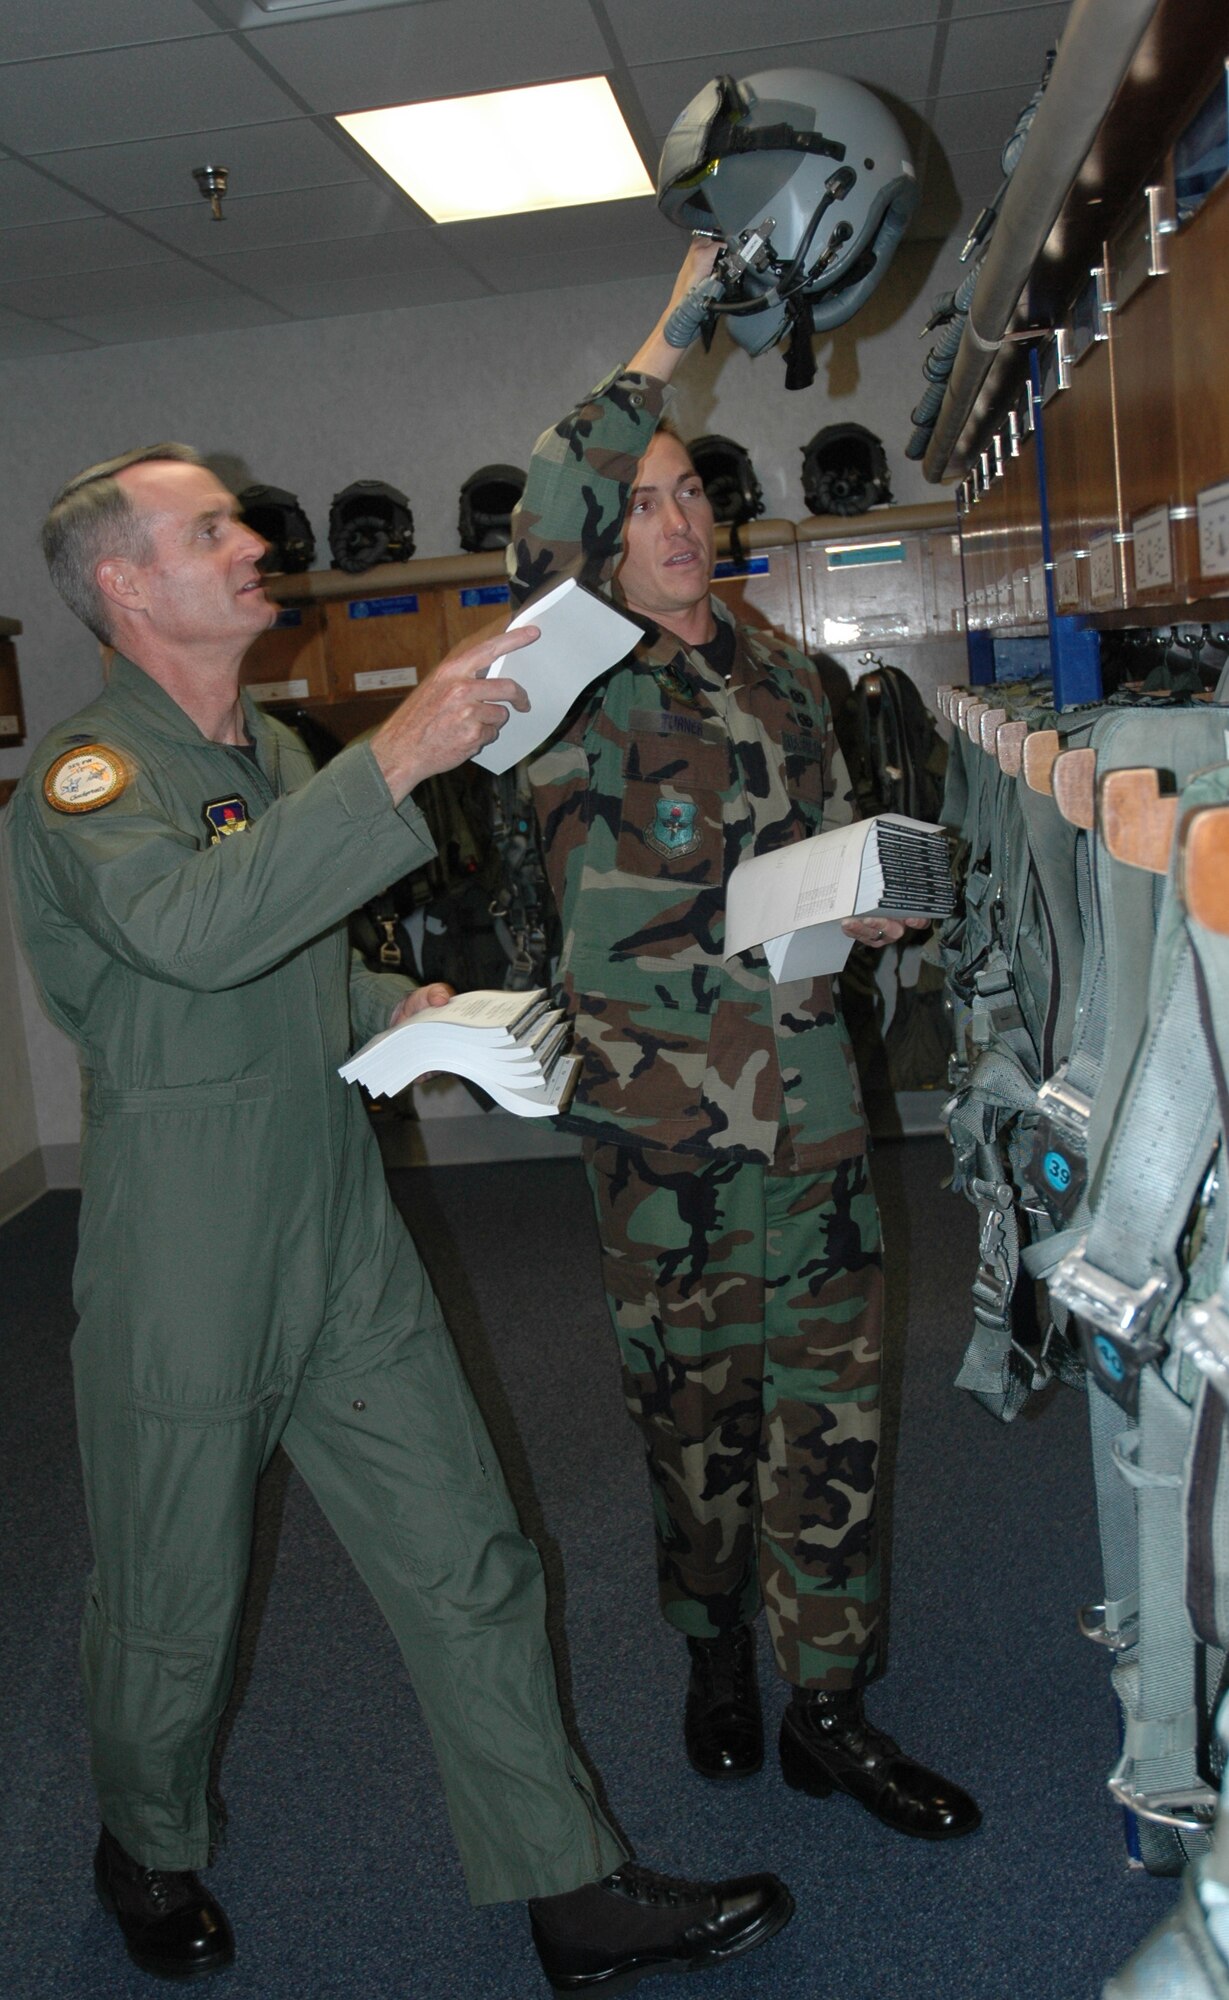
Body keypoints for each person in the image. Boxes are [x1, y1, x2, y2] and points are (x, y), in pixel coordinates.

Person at [4, 443, 794, 1990]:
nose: (255, 541)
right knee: (173, 1603)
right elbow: (192, 934)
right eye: (212, 528)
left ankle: (565, 1887)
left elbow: (291, 965)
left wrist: (403, 998)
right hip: (185, 1239)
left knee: (472, 1558)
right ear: (124, 584)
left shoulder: (274, 758)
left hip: (334, 1216)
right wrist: (404, 752)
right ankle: (143, 1841)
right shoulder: (87, 778)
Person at [508, 240, 980, 1841]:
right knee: (691, 1418)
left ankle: (828, 1706)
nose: (678, 519)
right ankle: (715, 1655)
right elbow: (541, 519)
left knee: (831, 1411)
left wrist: (864, 912)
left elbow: (824, 850)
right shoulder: (565, 677)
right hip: (663, 1136)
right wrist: (671, 333)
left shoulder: (788, 673)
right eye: (642, 501)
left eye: (690, 493)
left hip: (817, 1108)